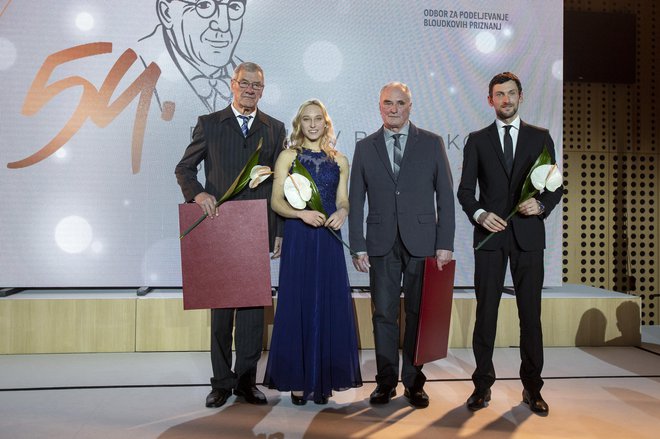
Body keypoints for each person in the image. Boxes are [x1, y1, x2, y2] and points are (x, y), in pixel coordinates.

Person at [175, 61, 285, 408]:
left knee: (253, 314)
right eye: (245, 83)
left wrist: (279, 230)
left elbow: (280, 185)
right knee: (222, 314)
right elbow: (184, 168)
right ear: (232, 85)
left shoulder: (275, 128)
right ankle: (221, 382)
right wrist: (198, 194)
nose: (250, 89)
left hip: (257, 230)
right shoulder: (209, 124)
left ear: (262, 90)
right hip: (220, 229)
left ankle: (245, 382)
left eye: (257, 85)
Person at [457, 72, 562, 415]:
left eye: (511, 93)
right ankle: (482, 387)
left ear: (521, 96)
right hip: (489, 237)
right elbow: (465, 192)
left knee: (530, 316)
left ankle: (533, 389)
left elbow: (554, 185)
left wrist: (542, 204)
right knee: (485, 315)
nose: (505, 100)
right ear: (490, 100)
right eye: (499, 95)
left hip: (528, 237)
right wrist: (480, 214)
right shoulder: (477, 140)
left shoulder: (541, 137)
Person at [348, 82, 455, 409]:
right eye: (387, 103)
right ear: (379, 106)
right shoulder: (365, 147)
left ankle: (414, 381)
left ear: (410, 106)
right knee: (384, 314)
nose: (393, 109)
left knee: (418, 313)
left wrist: (445, 242)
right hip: (380, 244)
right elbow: (355, 199)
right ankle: (385, 382)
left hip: (423, 243)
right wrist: (358, 245)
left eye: (399, 103)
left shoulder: (432, 143)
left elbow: (445, 197)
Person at [264, 100, 362, 405]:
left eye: (318, 119)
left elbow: (343, 200)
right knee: (298, 303)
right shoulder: (288, 156)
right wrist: (300, 215)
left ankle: (324, 380)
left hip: (329, 239)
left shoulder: (341, 160)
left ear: (326, 123)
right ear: (299, 124)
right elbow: (276, 201)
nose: (313, 124)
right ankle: (297, 380)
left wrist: (342, 213)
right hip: (300, 237)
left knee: (328, 303)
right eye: (306, 119)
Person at [139, 0, 248, 115]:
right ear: (167, 13)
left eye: (234, 7)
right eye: (204, 5)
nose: (224, 26)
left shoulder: (251, 73)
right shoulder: (131, 71)